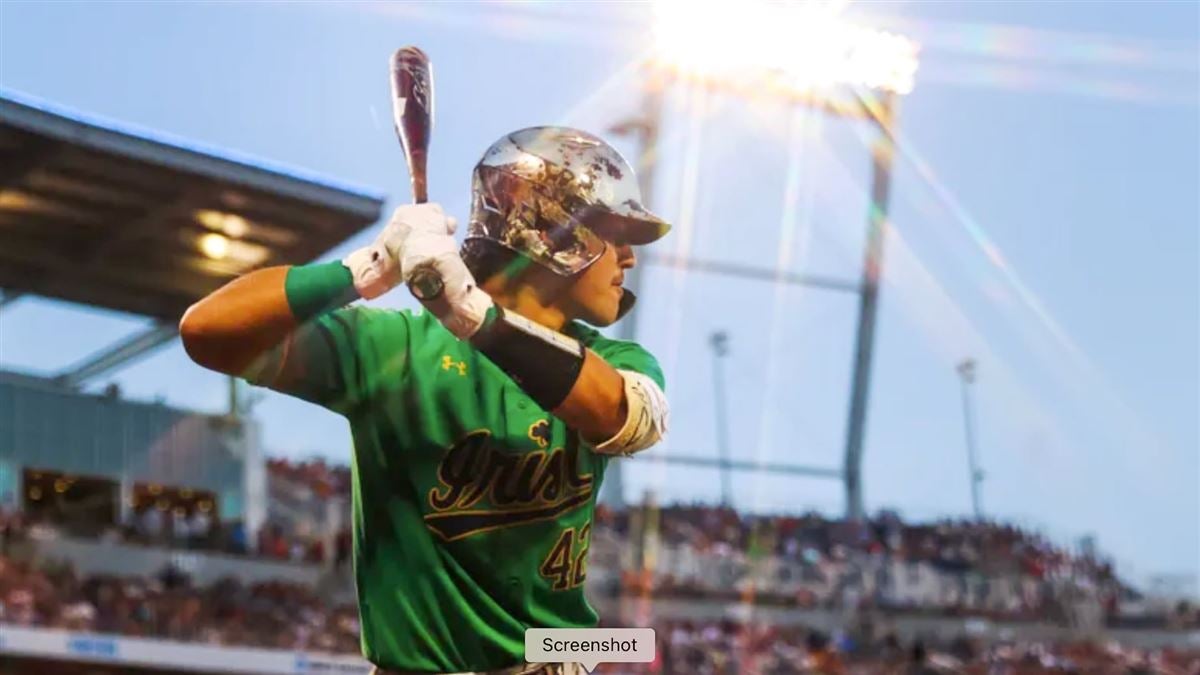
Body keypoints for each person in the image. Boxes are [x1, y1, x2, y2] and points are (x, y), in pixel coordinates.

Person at [180, 127, 671, 675]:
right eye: (615, 233)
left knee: (632, 644)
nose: (629, 258)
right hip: (418, 669)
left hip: (553, 660)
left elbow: (623, 416)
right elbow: (206, 332)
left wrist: (475, 315)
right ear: (551, 232)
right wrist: (367, 268)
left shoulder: (614, 358)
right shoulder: (394, 348)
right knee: (633, 645)